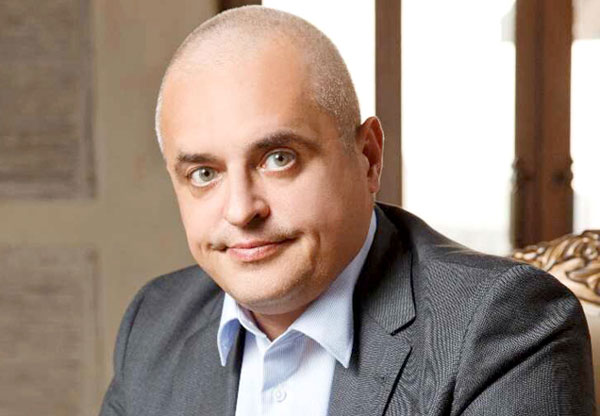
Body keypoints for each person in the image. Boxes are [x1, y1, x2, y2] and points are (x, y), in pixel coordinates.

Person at [99, 6, 595, 415]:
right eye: (204, 173)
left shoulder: (504, 325)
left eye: (279, 158)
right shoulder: (154, 320)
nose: (241, 210)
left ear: (368, 158)